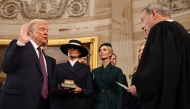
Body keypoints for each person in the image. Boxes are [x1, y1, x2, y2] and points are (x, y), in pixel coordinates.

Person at [132, 2, 190, 109]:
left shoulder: (160, 29)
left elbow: (154, 68)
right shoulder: (182, 31)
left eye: (143, 20)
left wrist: (139, 88)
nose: (142, 26)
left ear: (154, 14)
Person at [0, 19, 56, 109]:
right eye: (42, 29)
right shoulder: (19, 46)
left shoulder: (46, 59)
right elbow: (6, 67)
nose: (46, 33)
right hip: (20, 102)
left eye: (47, 30)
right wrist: (21, 43)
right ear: (31, 33)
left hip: (42, 104)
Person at [52, 39, 94, 109]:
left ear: (80, 52)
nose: (72, 49)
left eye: (75, 48)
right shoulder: (58, 67)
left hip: (78, 104)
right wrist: (59, 90)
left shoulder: (85, 68)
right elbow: (52, 89)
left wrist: (80, 90)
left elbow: (90, 90)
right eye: (70, 48)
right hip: (61, 104)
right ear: (67, 51)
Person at [89, 43, 124, 109]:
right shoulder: (95, 71)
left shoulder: (117, 71)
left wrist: (119, 105)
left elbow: (120, 91)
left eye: (104, 50)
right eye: (100, 50)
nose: (101, 51)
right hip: (97, 101)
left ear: (110, 53)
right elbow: (92, 89)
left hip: (112, 101)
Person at [128, 44, 145, 109]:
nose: (141, 52)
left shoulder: (152, 68)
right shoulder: (136, 69)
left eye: (143, 50)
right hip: (135, 103)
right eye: (139, 50)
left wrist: (137, 91)